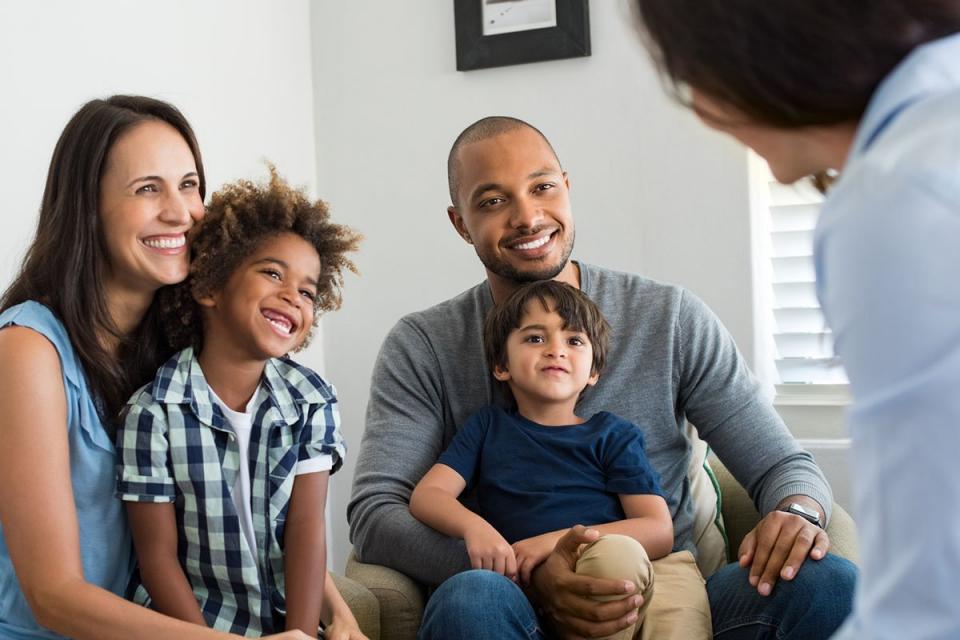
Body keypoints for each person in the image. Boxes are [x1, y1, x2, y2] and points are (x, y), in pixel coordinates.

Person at [349, 115, 856, 639]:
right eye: (493, 201)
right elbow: (376, 512)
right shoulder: (424, 345)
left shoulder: (668, 317)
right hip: (509, 603)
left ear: (566, 188)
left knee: (829, 584)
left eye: (542, 187)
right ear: (461, 224)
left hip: (659, 594)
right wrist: (531, 574)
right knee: (471, 599)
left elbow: (781, 464)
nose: (528, 217)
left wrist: (800, 513)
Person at [632, 2, 960, 638]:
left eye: (690, 74)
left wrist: (799, 507)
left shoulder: (896, 198)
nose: (700, 110)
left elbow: (928, 598)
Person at [0, 96, 312, 639]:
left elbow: (246, 514)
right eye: (148, 188)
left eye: (189, 185)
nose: (182, 212)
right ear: (87, 206)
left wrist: (334, 611)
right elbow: (53, 597)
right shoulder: (26, 349)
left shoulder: (180, 350)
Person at [115, 168, 365, 638]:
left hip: (287, 623)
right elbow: (157, 559)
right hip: (193, 625)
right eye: (273, 273)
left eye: (308, 291)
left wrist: (302, 633)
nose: (293, 295)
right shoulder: (151, 414)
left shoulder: (312, 401)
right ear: (210, 286)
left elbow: (306, 530)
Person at [410, 280, 711, 640]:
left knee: (617, 556)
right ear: (501, 365)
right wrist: (475, 529)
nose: (556, 350)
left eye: (574, 341)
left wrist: (549, 542)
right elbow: (428, 495)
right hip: (525, 599)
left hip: (604, 567)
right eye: (535, 338)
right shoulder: (488, 427)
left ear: (594, 372)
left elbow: (658, 529)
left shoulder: (613, 435)